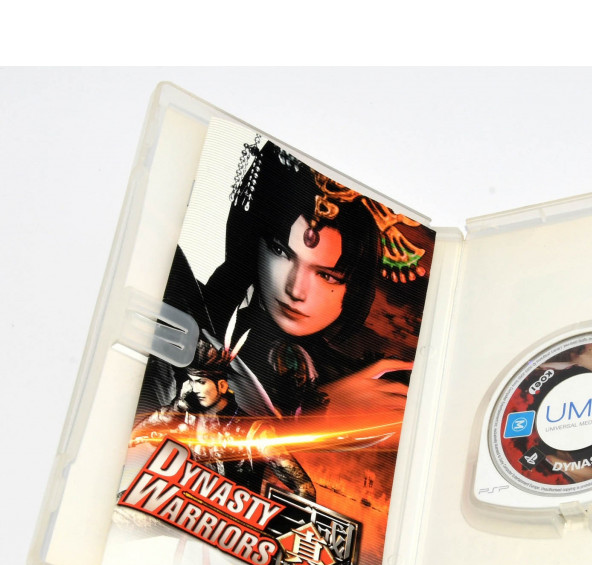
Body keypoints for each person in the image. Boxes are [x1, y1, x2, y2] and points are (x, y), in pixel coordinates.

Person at [152, 139, 427, 424]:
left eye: (327, 275)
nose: (295, 290)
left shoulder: (351, 376)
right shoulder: (188, 312)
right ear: (255, 243)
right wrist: (317, 414)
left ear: (354, 289)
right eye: (281, 252)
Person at [132, 337, 316, 500]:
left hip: (230, 521)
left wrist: (269, 524)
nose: (193, 389)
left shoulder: (254, 431)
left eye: (201, 382)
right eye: (191, 381)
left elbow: (305, 488)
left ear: (221, 386)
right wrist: (177, 406)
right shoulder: (189, 418)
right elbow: (137, 434)